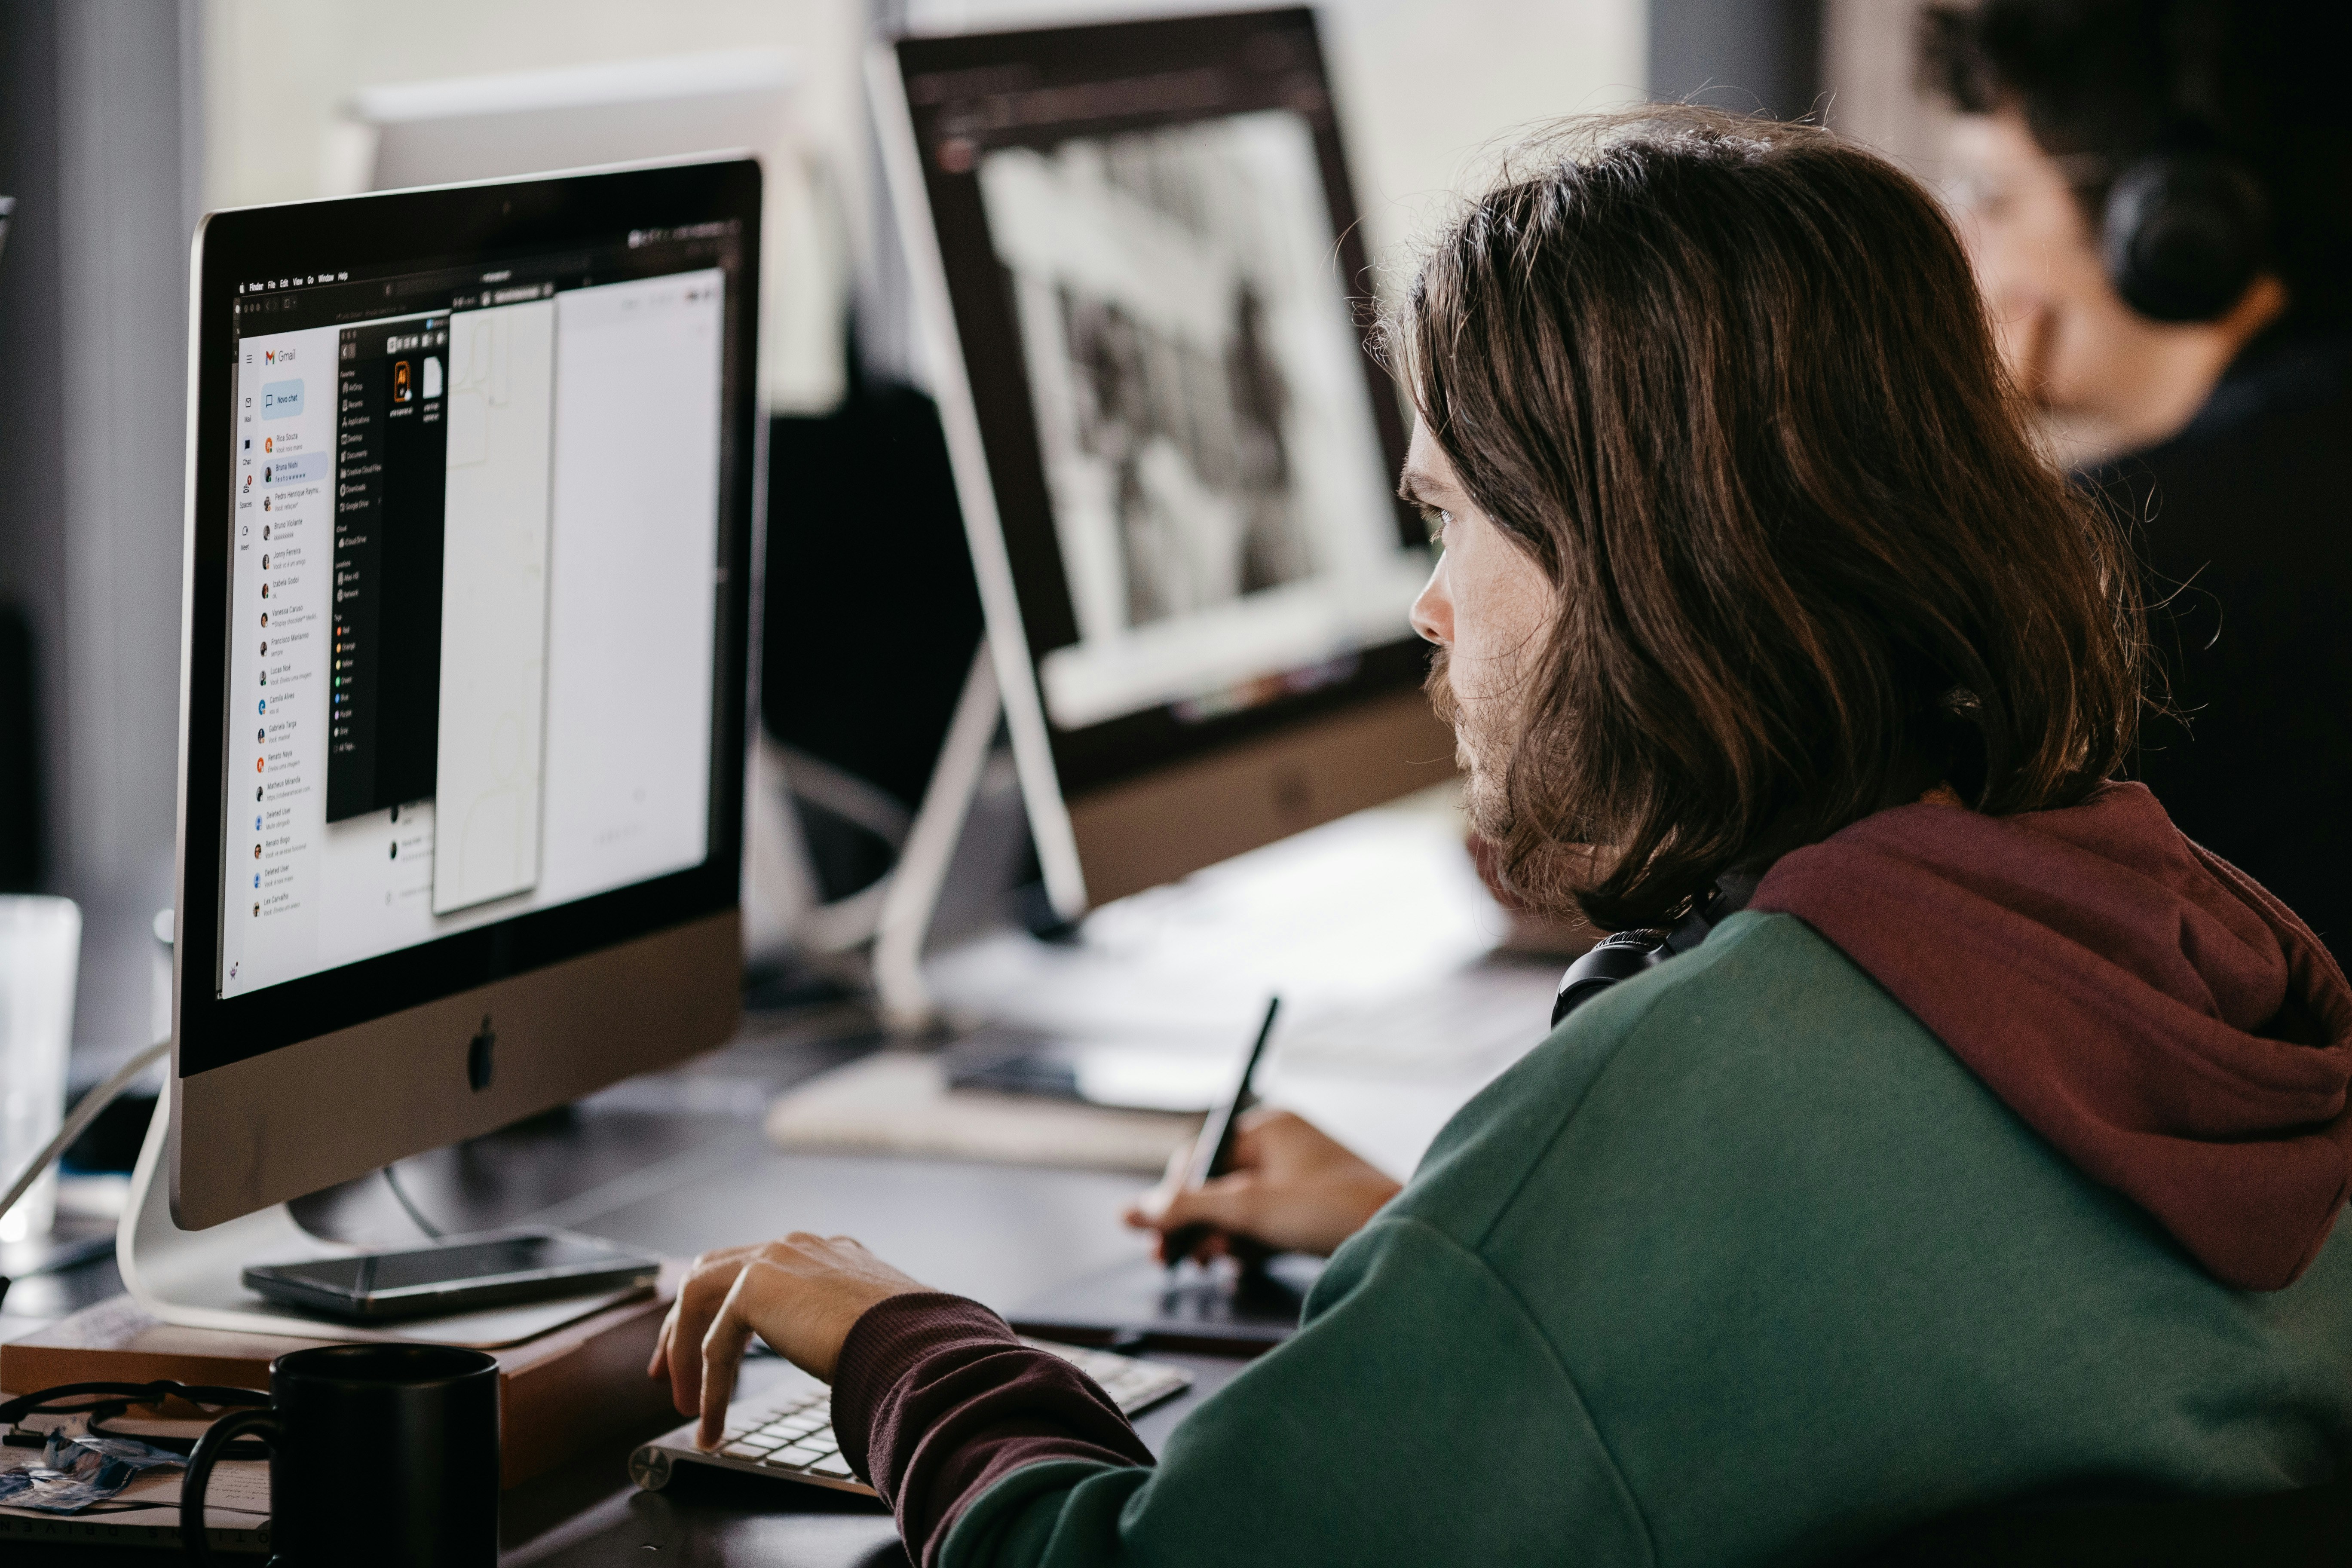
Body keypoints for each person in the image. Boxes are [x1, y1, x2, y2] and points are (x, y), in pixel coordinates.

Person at [649, 110, 2352, 1567]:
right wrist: (1461, 1253)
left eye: (1450, 517)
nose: (1430, 605)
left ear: (1635, 565)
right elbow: (1923, 1312)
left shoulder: (1695, 1095)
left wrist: (905, 1340)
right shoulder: (2167, 928)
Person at [1922, 0, 2352, 960]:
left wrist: (1945, 434)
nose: (1962, 255)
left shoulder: (2125, 561)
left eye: (1991, 199)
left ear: (2174, 217)